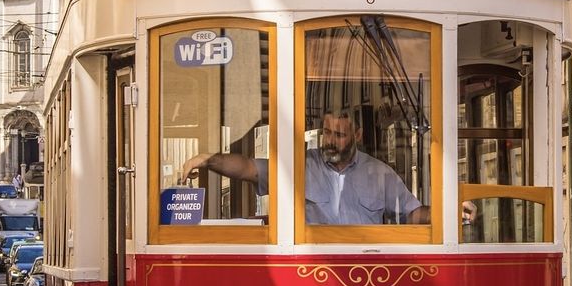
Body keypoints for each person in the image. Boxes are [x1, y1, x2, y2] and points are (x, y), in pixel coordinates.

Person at [182, 110, 430, 225]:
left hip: (364, 266)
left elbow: (412, 213)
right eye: (327, 133)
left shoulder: (379, 173)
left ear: (358, 134)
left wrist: (448, 213)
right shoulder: (301, 166)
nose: (330, 141)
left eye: (340, 135)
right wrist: (207, 159)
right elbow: (249, 168)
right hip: (312, 271)